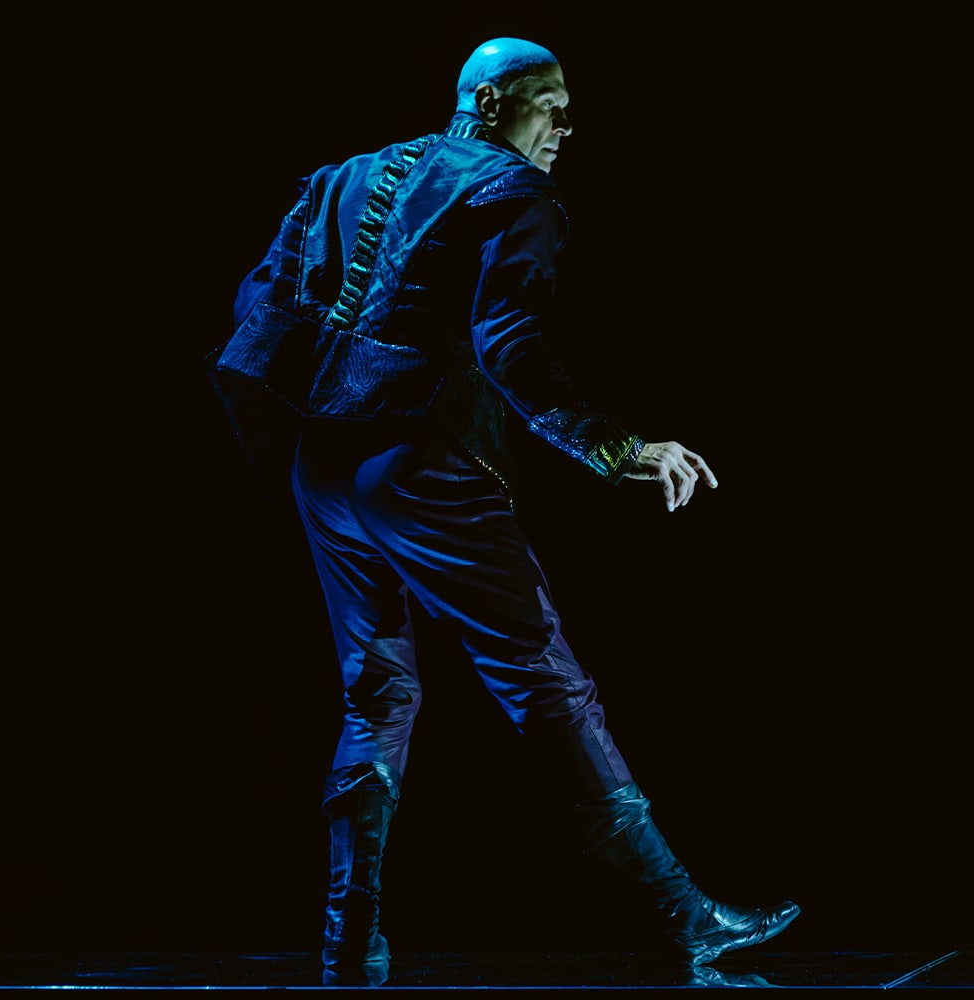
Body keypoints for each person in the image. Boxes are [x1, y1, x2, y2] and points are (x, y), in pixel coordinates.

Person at [210, 37, 800, 987]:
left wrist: (295, 435)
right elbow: (511, 343)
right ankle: (692, 921)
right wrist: (619, 449)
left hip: (324, 466)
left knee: (378, 694)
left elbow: (258, 310)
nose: (566, 124)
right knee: (545, 678)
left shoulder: (344, 176)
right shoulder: (512, 192)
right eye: (547, 100)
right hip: (421, 462)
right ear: (489, 103)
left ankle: (348, 950)